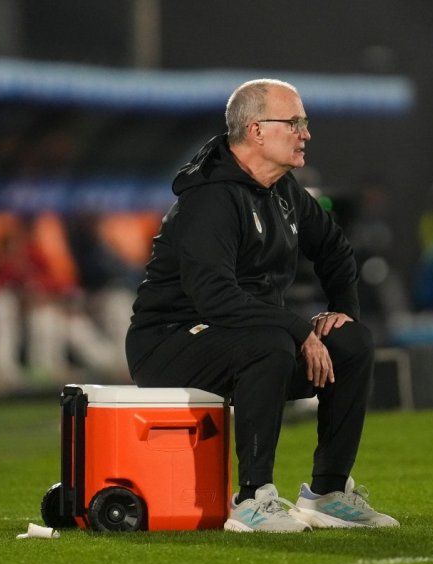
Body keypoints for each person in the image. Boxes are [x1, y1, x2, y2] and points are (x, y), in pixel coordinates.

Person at [126, 79, 398, 533]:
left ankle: (328, 495)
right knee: (269, 342)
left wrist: (341, 312)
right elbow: (213, 297)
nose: (305, 133)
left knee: (350, 342)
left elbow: (334, 250)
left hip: (248, 336)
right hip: (171, 343)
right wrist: (297, 328)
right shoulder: (209, 198)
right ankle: (253, 499)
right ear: (255, 130)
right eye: (295, 122)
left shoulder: (284, 191)